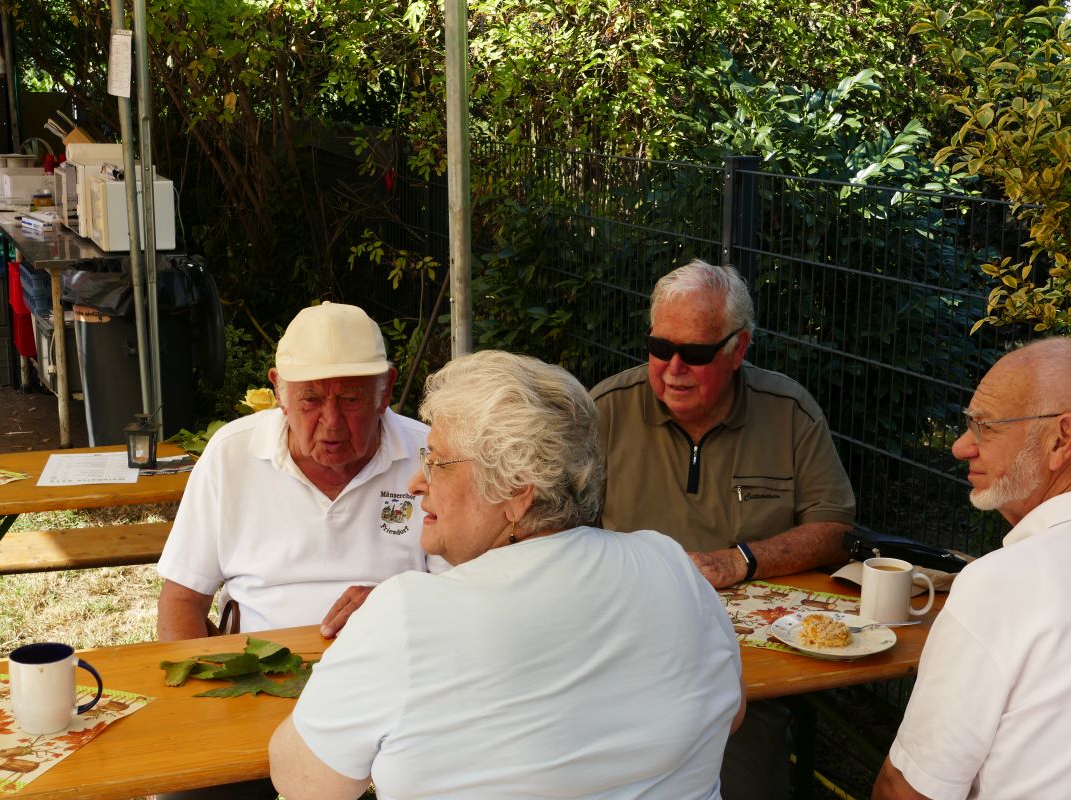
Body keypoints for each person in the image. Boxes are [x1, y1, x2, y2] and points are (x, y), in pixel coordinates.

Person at [270, 350, 746, 800]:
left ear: (517, 490)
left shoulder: (407, 614)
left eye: (436, 463)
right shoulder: (672, 564)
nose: (416, 483)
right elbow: (732, 713)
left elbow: (306, 783)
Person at [591, 259, 856, 800]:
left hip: (749, 670)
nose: (673, 369)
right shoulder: (604, 412)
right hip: (623, 651)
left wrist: (739, 560)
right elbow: (551, 535)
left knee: (743, 782)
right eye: (660, 347)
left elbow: (834, 527)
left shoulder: (788, 412)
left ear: (739, 349)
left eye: (695, 353)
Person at [873, 337, 1071, 800]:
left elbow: (908, 791)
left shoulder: (1002, 584)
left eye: (985, 427)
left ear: (1062, 439)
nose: (960, 447)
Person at [157, 301, 444, 642]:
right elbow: (182, 598)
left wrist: (399, 603)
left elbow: (465, 591)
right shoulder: (231, 453)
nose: (332, 422)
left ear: (386, 391)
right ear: (280, 392)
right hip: (256, 665)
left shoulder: (434, 455)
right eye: (311, 400)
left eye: (351, 399)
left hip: (397, 656)